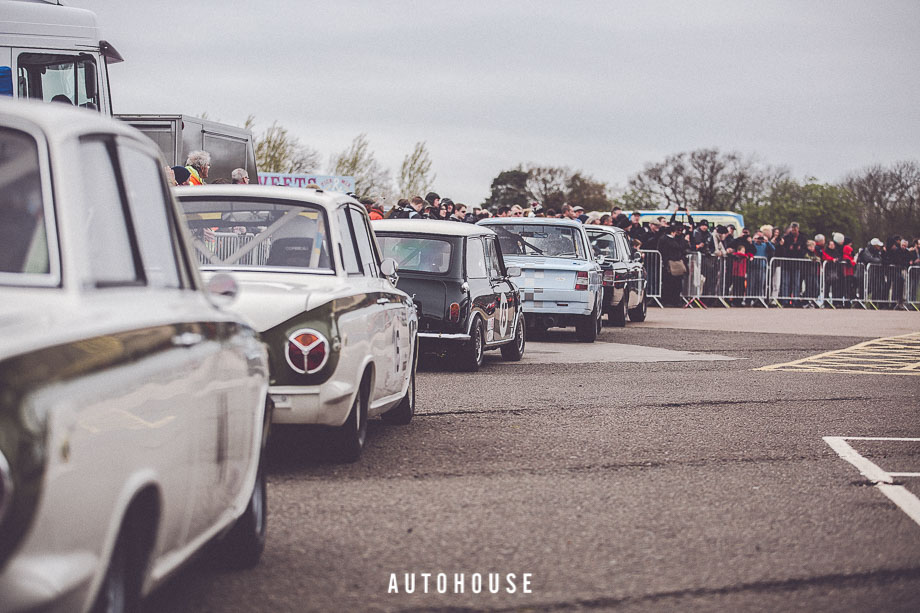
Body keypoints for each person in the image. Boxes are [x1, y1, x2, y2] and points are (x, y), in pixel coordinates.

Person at [658, 223, 689, 306]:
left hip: (677, 263)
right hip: (669, 263)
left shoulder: (678, 239)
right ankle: (668, 300)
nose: (680, 232)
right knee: (668, 283)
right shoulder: (665, 239)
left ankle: (675, 300)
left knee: (677, 283)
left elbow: (683, 248)